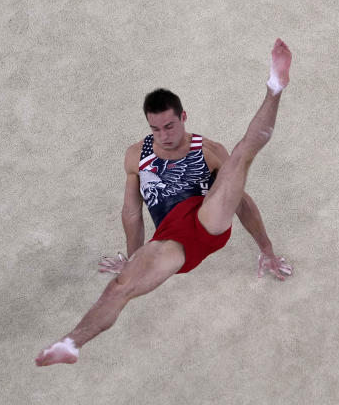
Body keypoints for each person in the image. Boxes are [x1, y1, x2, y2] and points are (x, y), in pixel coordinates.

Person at [35, 38, 293, 366]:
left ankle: (275, 86)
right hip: (171, 241)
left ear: (184, 117)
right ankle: (71, 342)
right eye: (155, 129)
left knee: (242, 155)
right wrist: (133, 258)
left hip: (208, 219)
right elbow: (131, 212)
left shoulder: (208, 150)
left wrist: (267, 250)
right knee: (120, 287)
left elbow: (241, 203)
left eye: (170, 125)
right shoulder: (136, 157)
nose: (164, 135)